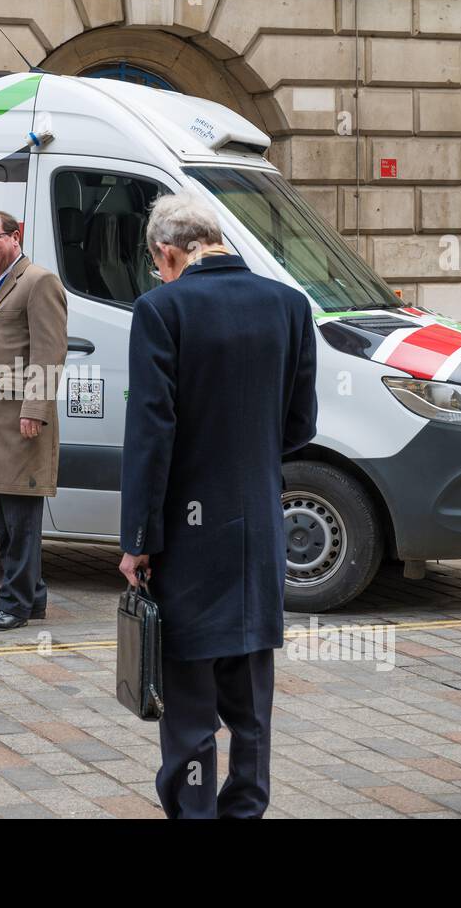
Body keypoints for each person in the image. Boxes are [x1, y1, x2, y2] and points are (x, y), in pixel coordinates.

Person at [118, 191, 317, 819]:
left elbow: (153, 435)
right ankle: (245, 810)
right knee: (251, 707)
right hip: (258, 528)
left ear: (168, 252)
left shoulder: (161, 310)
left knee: (190, 708)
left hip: (187, 537)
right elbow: (300, 424)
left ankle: (197, 812)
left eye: (159, 264)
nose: (159, 273)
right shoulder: (288, 305)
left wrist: (138, 540)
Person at [0, 210, 67, 631]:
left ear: (15, 236)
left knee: (21, 519)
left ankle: (14, 603)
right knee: (6, 518)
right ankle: (33, 595)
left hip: (22, 424)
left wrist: (35, 411)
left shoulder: (39, 281)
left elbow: (49, 352)